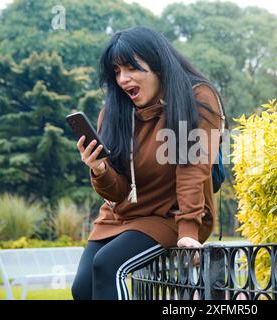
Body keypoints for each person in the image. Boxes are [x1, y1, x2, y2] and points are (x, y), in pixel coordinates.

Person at [71, 26, 228, 300]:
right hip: (121, 215)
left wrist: (188, 229)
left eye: (131, 68)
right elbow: (118, 192)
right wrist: (99, 170)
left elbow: (193, 168)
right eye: (117, 71)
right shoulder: (113, 111)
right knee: (82, 288)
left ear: (157, 64)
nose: (123, 79)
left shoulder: (197, 98)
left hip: (171, 215)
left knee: (108, 266)